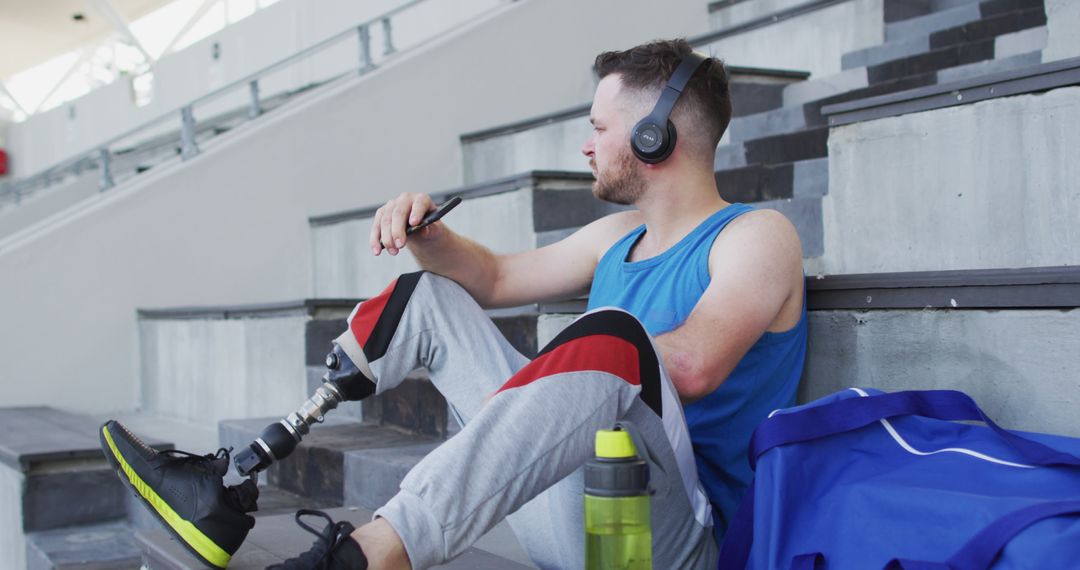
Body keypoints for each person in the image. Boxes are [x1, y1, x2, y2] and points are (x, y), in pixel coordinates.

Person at [101, 38, 806, 570]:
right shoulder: (620, 237)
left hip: (675, 539)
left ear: (657, 137)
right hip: (577, 507)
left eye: (599, 127)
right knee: (429, 297)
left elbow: (694, 366)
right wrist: (430, 237)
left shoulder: (757, 236)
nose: (585, 146)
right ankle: (229, 481)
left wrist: (557, 384)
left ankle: (366, 556)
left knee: (614, 341)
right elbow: (493, 279)